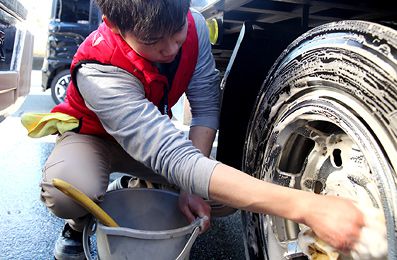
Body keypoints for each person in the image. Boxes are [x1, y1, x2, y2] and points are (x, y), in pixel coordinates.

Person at [30, 0, 364, 259]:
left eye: (176, 32)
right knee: (70, 192)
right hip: (94, 138)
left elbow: (205, 105)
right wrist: (305, 206)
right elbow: (172, 155)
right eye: (153, 41)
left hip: (148, 142)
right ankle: (76, 227)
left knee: (225, 201)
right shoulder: (98, 68)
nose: (171, 48)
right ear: (116, 27)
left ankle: (138, 186)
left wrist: (191, 189)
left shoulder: (195, 27)